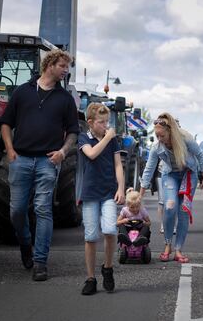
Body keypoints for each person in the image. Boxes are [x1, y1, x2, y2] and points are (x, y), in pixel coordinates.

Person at [0, 48, 79, 281]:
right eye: (62, 66)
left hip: (48, 161)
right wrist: (10, 150)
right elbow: (5, 123)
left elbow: (73, 131)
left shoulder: (65, 99)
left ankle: (40, 262)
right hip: (20, 159)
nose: (65, 71)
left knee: (43, 209)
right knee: (17, 211)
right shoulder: (22, 92)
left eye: (67, 67)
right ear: (50, 64)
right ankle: (25, 243)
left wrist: (63, 152)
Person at [140, 113, 203, 263]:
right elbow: (149, 168)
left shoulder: (185, 139)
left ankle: (178, 250)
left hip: (188, 175)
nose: (159, 139)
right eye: (157, 136)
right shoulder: (157, 146)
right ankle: (168, 245)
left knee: (183, 210)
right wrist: (141, 192)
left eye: (162, 136)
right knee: (170, 206)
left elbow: (200, 155)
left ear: (170, 132)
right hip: (170, 175)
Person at [77, 103, 125, 295]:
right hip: (89, 193)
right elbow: (92, 154)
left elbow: (118, 165)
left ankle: (108, 267)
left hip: (107, 193)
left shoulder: (111, 140)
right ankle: (90, 278)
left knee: (110, 230)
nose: (106, 125)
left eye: (107, 122)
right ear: (90, 122)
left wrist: (121, 188)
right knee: (90, 236)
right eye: (101, 122)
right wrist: (107, 137)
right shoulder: (84, 137)